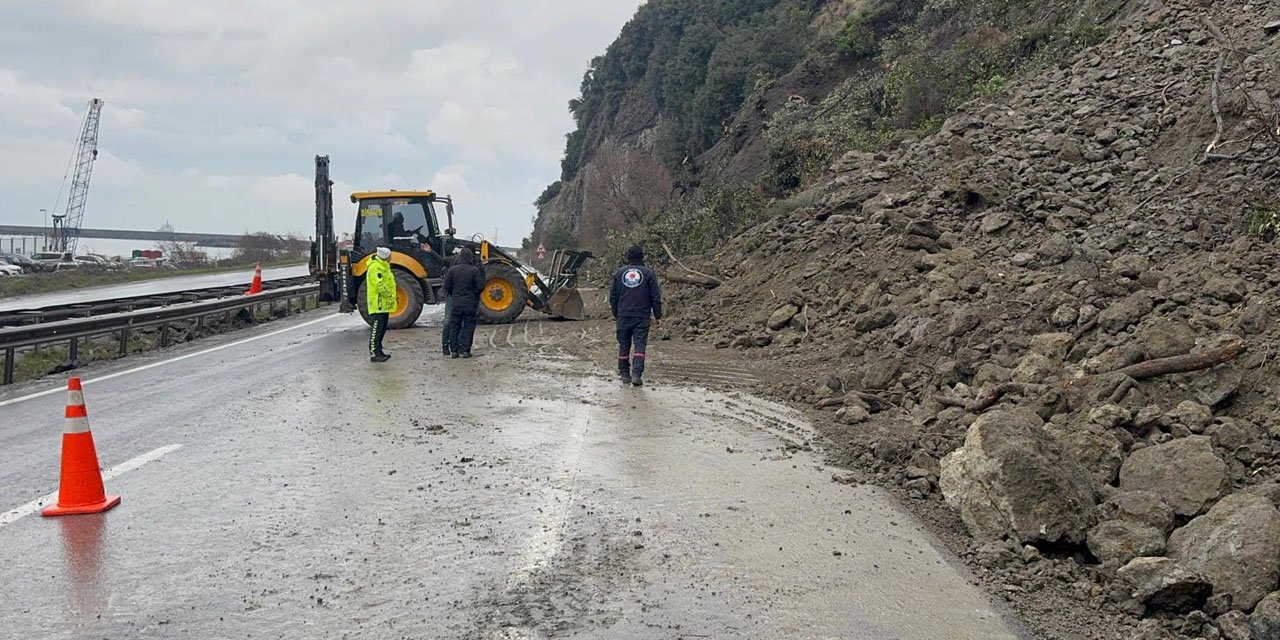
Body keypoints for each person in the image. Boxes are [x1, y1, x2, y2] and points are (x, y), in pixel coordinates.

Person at [610, 245, 662, 386]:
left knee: (624, 345)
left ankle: (624, 374)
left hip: (623, 315)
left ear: (627, 257)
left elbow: (613, 297)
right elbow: (655, 297)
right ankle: (637, 375)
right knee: (640, 345)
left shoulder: (619, 273)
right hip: (642, 316)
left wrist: (616, 313)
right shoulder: (649, 273)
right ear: (642, 256)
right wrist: (658, 316)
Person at [443, 247, 485, 358]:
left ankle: (454, 351)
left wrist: (453, 294)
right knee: (468, 326)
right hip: (470, 303)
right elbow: (481, 286)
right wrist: (474, 294)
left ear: (460, 257)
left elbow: (446, 286)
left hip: (456, 302)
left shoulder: (452, 270)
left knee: (454, 326)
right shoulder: (474, 270)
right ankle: (465, 350)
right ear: (470, 258)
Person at [367, 246, 397, 363]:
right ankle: (374, 352)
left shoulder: (384, 266)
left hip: (383, 304)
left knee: (382, 328)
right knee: (377, 328)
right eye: (390, 255)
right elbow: (379, 284)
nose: (391, 257)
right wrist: (389, 295)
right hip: (378, 303)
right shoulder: (375, 267)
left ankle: (379, 350)